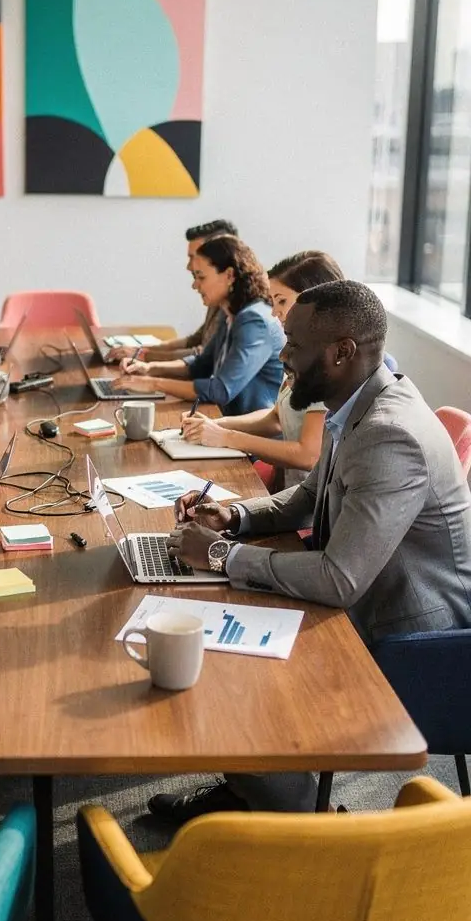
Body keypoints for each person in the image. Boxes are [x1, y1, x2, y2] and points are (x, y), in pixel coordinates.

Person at [149, 281, 471, 824]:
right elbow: (308, 498)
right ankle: (255, 793)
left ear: (342, 352)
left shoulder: (389, 434)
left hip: (414, 642)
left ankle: (308, 830)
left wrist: (223, 555)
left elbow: (339, 579)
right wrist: (235, 517)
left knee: (228, 660)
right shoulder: (360, 404)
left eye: (294, 344)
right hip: (369, 599)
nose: (282, 357)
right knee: (223, 627)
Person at [181, 251, 343, 488]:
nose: (274, 312)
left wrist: (227, 437)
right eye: (273, 302)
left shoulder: (328, 364)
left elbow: (308, 455)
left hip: (306, 501)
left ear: (314, 299)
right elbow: (275, 418)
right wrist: (217, 425)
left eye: (281, 301)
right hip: (284, 488)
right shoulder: (299, 351)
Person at [115, 235, 284, 413]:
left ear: (229, 275)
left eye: (201, 277)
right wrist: (149, 368)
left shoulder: (254, 321)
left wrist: (152, 384)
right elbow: (201, 364)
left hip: (252, 428)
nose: (195, 285)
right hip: (227, 421)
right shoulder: (231, 313)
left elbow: (221, 389)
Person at [106, 218, 239, 364]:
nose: (189, 266)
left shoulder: (236, 305)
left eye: (194, 257)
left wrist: (143, 355)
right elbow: (196, 340)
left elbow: (202, 355)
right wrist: (140, 350)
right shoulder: (218, 293)